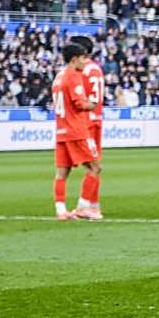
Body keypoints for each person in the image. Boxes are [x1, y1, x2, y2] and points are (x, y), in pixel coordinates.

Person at [51, 43, 100, 220]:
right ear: (74, 59)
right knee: (95, 168)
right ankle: (83, 207)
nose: (85, 62)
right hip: (76, 130)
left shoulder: (58, 77)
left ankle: (61, 211)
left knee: (62, 173)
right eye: (83, 58)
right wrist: (93, 104)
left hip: (61, 130)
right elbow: (80, 103)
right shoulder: (73, 75)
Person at [70, 34, 105, 218]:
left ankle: (83, 206)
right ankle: (94, 206)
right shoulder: (97, 69)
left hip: (85, 121)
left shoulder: (81, 71)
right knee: (95, 164)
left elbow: (79, 98)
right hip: (97, 119)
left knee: (92, 166)